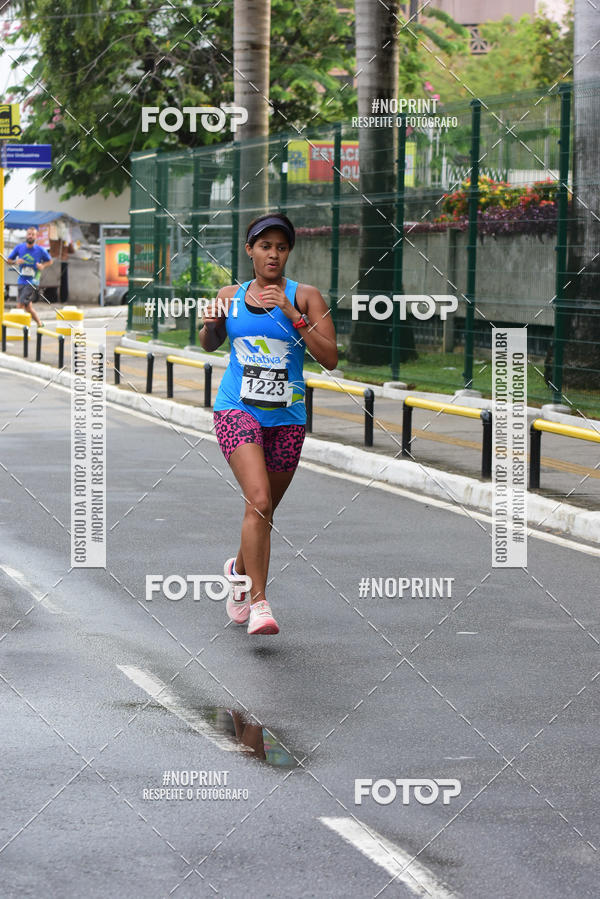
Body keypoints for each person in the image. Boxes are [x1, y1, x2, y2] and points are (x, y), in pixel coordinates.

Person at [199, 213, 338, 636]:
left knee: (264, 510)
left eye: (281, 247)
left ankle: (238, 570)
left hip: (288, 416)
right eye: (265, 246)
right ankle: (259, 601)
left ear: (288, 252)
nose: (273, 254)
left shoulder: (306, 296)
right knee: (258, 499)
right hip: (236, 409)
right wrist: (212, 321)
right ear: (250, 251)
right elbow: (209, 342)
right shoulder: (230, 293)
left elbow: (330, 357)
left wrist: (294, 314)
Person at [8, 226, 53, 327]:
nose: (30, 236)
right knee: (28, 307)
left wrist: (42, 266)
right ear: (26, 235)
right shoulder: (19, 248)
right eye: (29, 234)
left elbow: (50, 261)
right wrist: (16, 261)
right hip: (21, 280)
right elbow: (8, 261)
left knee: (20, 305)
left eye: (33, 234)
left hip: (33, 282)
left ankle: (16, 327)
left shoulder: (40, 250)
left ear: (36, 237)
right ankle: (40, 323)